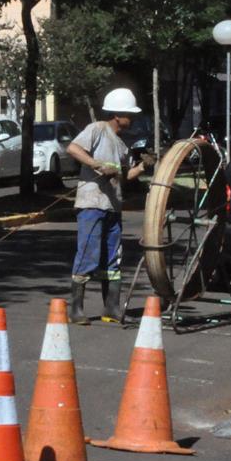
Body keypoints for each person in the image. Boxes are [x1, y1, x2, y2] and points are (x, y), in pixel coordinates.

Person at [65, 88, 146, 325]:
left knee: (113, 260)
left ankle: (111, 307)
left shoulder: (121, 144)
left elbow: (125, 174)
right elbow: (73, 148)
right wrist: (97, 164)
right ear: (117, 114)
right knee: (88, 255)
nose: (132, 119)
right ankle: (76, 309)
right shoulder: (97, 129)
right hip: (92, 204)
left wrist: (140, 168)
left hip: (112, 206)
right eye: (128, 114)